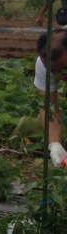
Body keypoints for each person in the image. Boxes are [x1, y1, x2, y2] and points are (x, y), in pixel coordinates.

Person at [35, 29, 67, 168]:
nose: (59, 76)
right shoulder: (45, 64)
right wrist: (54, 144)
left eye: (64, 69)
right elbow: (48, 106)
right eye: (52, 70)